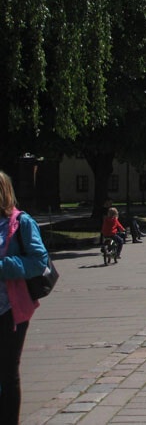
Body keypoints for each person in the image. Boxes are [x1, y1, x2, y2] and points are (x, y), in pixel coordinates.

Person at [0, 171, 49, 423]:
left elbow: (39, 261)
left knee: (7, 371)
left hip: (9, 310)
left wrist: (2, 266)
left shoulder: (21, 222)